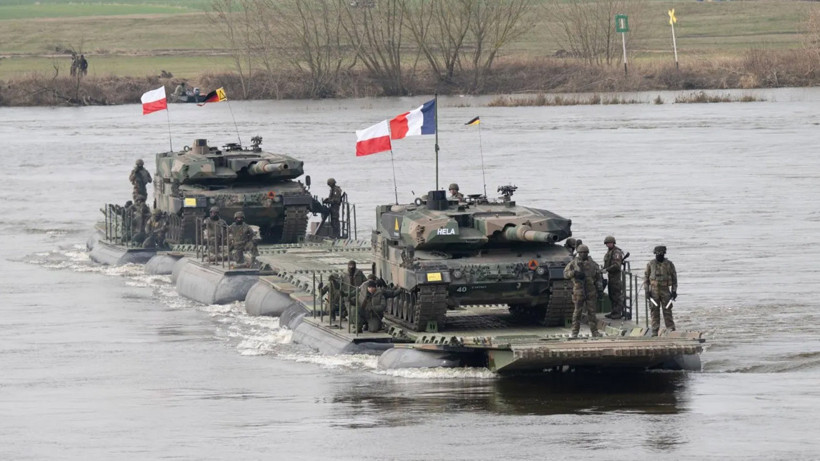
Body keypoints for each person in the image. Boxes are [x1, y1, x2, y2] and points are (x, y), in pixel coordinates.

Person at [562, 244, 603, 338]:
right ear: (578, 253)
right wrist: (574, 273)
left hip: (590, 290)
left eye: (585, 252)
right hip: (578, 291)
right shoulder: (573, 263)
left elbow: (598, 278)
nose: (583, 254)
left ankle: (594, 332)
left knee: (592, 313)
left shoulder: (593, 264)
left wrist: (600, 290)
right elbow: (565, 274)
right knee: (577, 313)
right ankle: (574, 332)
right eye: (581, 252)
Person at [645, 245, 678, 336]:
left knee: (667, 311)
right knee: (654, 311)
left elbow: (674, 278)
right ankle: (655, 331)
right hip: (654, 291)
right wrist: (647, 291)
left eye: (662, 253)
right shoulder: (650, 264)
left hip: (665, 290)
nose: (660, 255)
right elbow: (646, 278)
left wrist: (674, 291)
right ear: (655, 253)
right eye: (658, 253)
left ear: (664, 253)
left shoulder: (669, 264)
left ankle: (671, 330)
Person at [602, 235, 627, 319]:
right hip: (610, 276)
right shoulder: (609, 252)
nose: (608, 245)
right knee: (611, 295)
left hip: (615, 277)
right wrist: (604, 269)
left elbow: (616, 266)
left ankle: (617, 313)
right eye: (607, 243)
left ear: (613, 243)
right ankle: (613, 311)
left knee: (617, 296)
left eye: (610, 243)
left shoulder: (616, 252)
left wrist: (607, 269)